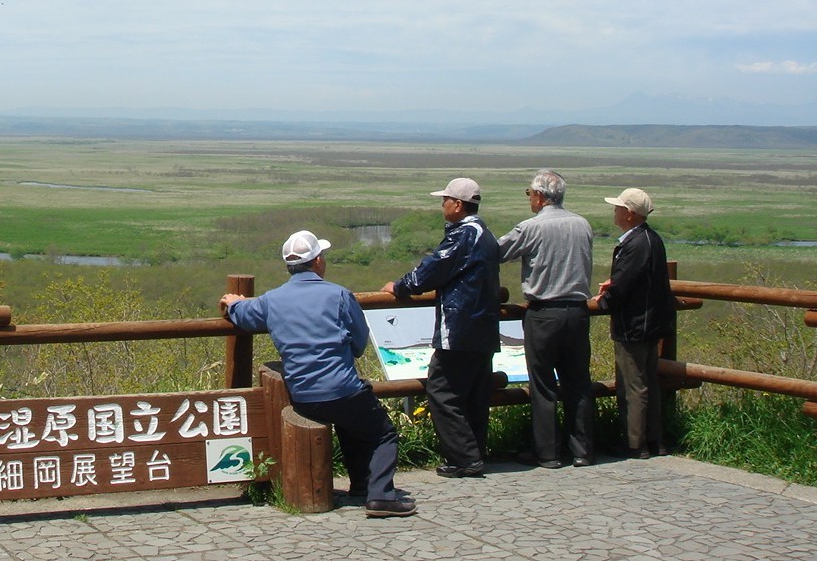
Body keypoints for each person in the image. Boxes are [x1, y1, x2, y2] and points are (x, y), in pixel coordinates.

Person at [220, 230, 415, 518]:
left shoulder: (272, 300)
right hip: (343, 389)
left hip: (303, 396)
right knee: (382, 433)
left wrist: (233, 303)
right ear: (319, 261)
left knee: (354, 423)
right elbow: (360, 343)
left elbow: (244, 314)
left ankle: (362, 486)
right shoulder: (338, 295)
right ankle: (381, 496)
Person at [383, 177, 501, 479]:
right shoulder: (485, 233)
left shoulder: (464, 235)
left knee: (442, 391)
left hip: (460, 326)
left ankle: (464, 458)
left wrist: (401, 286)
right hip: (483, 327)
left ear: (458, 205)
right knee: (474, 394)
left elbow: (433, 270)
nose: (442, 206)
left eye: (445, 200)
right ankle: (475, 452)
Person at [497, 169, 596, 468]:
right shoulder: (583, 224)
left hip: (544, 313)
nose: (529, 198)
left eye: (529, 193)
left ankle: (548, 453)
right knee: (578, 381)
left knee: (543, 385)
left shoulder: (530, 228)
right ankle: (583, 450)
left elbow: (496, 252)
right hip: (578, 312)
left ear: (539, 196)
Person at [596, 188, 675, 459]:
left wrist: (604, 301)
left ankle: (634, 443)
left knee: (632, 385)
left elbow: (625, 284)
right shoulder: (653, 239)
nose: (614, 212)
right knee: (648, 382)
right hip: (652, 323)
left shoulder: (633, 244)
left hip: (633, 325)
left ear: (629, 214)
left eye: (618, 208)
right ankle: (655, 440)